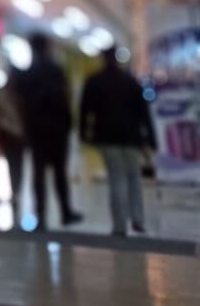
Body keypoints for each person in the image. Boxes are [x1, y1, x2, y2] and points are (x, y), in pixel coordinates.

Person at [79, 46, 155, 236]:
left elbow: (85, 110)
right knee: (133, 177)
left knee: (116, 178)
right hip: (131, 137)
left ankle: (120, 225)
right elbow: (143, 112)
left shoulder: (94, 82)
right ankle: (138, 219)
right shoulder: (130, 81)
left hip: (106, 137)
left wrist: (84, 134)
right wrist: (151, 138)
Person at [14, 32, 82, 231]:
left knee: (38, 173)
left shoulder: (27, 74)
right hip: (56, 129)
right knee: (60, 172)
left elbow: (20, 102)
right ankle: (65, 212)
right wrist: (69, 123)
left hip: (35, 129)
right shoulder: (55, 70)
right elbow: (63, 99)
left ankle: (41, 215)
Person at [0, 69, 25, 215]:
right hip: (9, 134)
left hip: (15, 134)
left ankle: (16, 190)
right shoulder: (2, 94)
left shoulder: (18, 94)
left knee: (16, 164)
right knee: (13, 163)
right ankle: (14, 191)